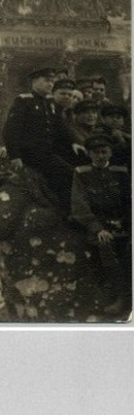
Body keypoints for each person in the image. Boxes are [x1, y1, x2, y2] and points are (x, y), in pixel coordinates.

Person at [70, 133, 131, 316]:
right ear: (89, 154)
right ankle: (120, 298)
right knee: (106, 248)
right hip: (98, 226)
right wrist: (97, 228)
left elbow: (129, 201)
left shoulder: (121, 172)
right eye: (95, 153)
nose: (100, 156)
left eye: (104, 152)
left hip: (124, 224)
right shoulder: (81, 173)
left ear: (110, 152)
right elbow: (79, 204)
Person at [2, 66, 74, 212]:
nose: (50, 84)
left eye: (52, 81)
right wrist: (15, 156)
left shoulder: (49, 103)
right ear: (34, 81)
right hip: (30, 154)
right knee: (67, 173)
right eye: (47, 80)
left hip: (46, 153)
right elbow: (11, 130)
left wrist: (73, 144)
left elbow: (60, 129)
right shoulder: (24, 101)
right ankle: (64, 212)